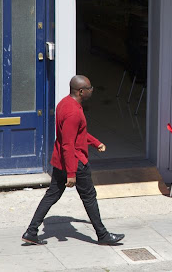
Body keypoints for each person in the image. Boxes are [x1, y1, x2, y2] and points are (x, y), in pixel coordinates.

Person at [22, 75, 124, 246]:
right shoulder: (73, 113)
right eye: (90, 88)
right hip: (75, 162)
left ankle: (31, 232)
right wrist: (71, 173)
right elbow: (68, 145)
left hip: (61, 161)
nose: (92, 90)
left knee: (52, 195)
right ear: (81, 91)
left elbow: (77, 133)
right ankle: (103, 235)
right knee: (89, 197)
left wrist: (95, 142)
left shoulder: (64, 103)